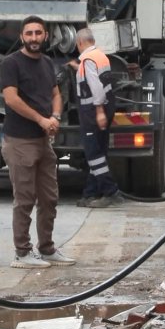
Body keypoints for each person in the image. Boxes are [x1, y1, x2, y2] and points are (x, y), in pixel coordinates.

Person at [0, 16, 77, 268]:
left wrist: (54, 116)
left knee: (49, 198)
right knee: (24, 200)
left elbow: (55, 93)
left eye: (38, 33)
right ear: (22, 36)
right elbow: (11, 99)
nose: (34, 38)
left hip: (43, 142)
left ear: (46, 36)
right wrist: (41, 120)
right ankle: (22, 254)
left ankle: (47, 249)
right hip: (20, 141)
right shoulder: (11, 64)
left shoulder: (46, 63)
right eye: (29, 33)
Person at [72, 28, 123, 208]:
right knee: (99, 152)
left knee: (93, 154)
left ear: (79, 43)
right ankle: (90, 193)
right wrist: (77, 67)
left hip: (92, 111)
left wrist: (99, 111)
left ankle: (111, 191)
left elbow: (96, 88)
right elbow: (96, 78)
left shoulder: (87, 61)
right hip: (107, 107)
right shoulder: (100, 56)